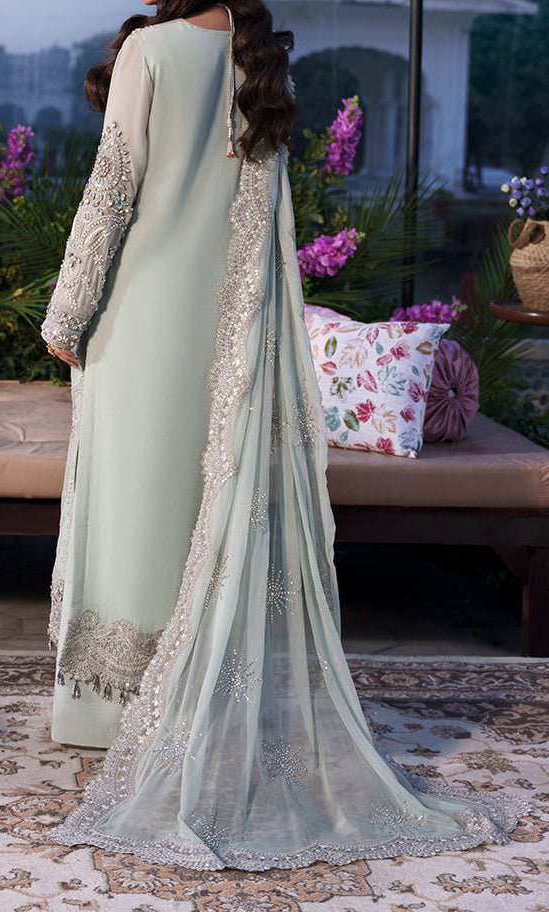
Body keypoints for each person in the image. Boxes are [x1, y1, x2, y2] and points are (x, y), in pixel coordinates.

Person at [40, 0, 537, 871]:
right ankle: (193, 708)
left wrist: (66, 313)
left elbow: (111, 188)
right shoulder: (262, 61)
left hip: (140, 317)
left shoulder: (148, 49)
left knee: (129, 506)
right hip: (227, 330)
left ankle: (114, 715)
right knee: (197, 507)